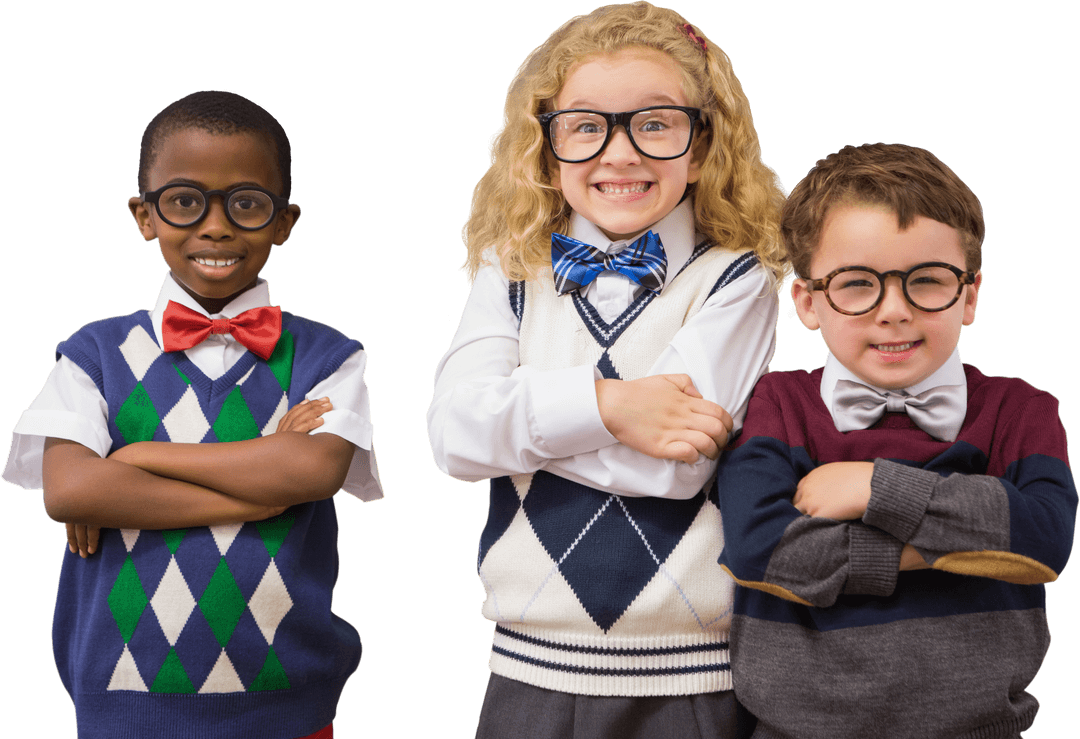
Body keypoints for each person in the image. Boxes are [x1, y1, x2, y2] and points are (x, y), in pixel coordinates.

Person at [427, 3, 785, 736]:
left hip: (692, 677)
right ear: (547, 144)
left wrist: (519, 421)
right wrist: (613, 408)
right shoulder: (512, 270)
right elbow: (454, 438)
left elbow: (676, 467)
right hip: (528, 669)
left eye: (655, 123)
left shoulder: (736, 280)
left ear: (702, 141)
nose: (619, 154)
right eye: (586, 126)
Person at [2, 90, 382, 739]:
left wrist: (137, 458)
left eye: (246, 203)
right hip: (123, 710)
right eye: (184, 201)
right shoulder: (93, 355)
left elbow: (311, 468)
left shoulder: (326, 357)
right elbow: (71, 488)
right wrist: (258, 492)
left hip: (288, 711)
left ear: (284, 221)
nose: (215, 226)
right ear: (144, 215)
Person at [716, 142, 1077, 738]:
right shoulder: (774, 404)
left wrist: (876, 488)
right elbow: (764, 551)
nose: (894, 311)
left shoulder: (1022, 410)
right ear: (807, 301)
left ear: (970, 295)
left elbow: (1042, 541)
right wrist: (968, 547)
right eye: (857, 284)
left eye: (927, 281)